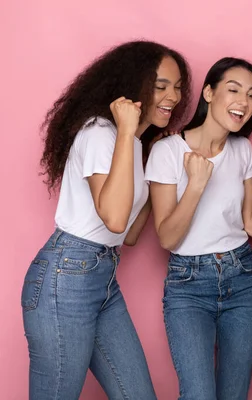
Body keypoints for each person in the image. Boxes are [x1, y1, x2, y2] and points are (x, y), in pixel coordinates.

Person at [21, 40, 192, 400]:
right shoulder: (102, 133)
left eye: (177, 87)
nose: (173, 97)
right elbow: (114, 218)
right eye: (161, 86)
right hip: (65, 281)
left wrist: (151, 157)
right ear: (133, 86)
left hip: (101, 280)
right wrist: (129, 131)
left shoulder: (130, 144)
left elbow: (127, 235)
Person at [146, 57, 252, 400]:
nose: (244, 101)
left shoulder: (243, 149)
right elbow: (167, 237)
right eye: (234, 90)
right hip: (188, 285)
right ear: (209, 93)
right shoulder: (167, 151)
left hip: (243, 278)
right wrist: (196, 185)